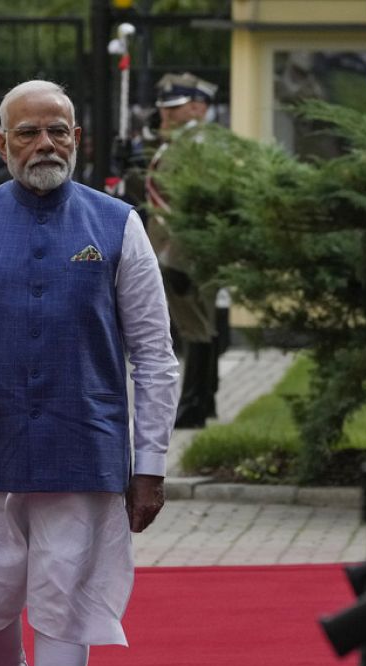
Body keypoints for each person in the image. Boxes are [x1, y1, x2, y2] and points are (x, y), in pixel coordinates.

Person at [0, 80, 179, 666]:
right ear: (2, 143)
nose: (44, 143)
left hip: (82, 445)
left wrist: (150, 464)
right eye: (28, 132)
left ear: (78, 140)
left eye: (57, 131)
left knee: (65, 599)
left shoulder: (119, 225)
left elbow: (154, 354)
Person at [144, 72, 221, 428]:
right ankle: (203, 401)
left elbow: (195, 205)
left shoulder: (197, 146)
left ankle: (193, 406)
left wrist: (178, 257)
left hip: (183, 251)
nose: (165, 113)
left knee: (195, 327)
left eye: (174, 107)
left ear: (197, 108)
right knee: (198, 326)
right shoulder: (179, 143)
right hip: (176, 249)